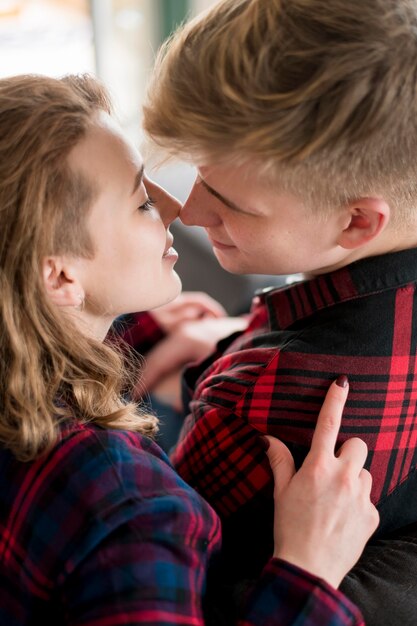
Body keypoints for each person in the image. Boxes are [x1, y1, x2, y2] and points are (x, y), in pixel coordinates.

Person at [0, 73, 378, 626]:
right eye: (141, 202)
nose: (177, 206)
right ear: (58, 277)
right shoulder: (134, 509)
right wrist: (308, 573)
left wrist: (127, 334)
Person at [118, 0, 417, 622]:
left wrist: (229, 374)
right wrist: (235, 338)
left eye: (228, 201)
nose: (188, 210)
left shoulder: (258, 407)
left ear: (358, 220)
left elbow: (166, 575)